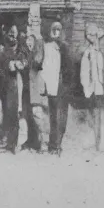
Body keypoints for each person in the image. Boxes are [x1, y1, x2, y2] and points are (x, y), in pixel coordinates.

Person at [34, 21, 76, 155]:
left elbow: (70, 67)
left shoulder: (65, 47)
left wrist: (68, 84)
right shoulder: (45, 47)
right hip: (51, 86)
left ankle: (57, 144)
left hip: (63, 86)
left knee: (61, 116)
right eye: (54, 29)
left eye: (59, 29)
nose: (56, 32)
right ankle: (53, 144)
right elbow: (39, 65)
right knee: (53, 116)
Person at [0, 24, 22, 154]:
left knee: (13, 112)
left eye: (15, 33)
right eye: (10, 33)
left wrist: (16, 64)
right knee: (3, 112)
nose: (13, 35)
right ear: (4, 33)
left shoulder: (20, 48)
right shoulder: (1, 48)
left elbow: (22, 61)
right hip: (1, 83)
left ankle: (13, 144)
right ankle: (5, 141)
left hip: (14, 82)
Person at [80, 23, 104, 152]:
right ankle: (94, 142)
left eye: (97, 37)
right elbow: (84, 73)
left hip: (99, 89)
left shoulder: (100, 54)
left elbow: (102, 71)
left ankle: (98, 144)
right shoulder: (87, 54)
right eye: (92, 37)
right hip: (90, 90)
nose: (96, 40)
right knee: (92, 116)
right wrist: (86, 88)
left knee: (98, 116)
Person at [19, 33, 43, 152]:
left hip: (35, 89)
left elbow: (37, 65)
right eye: (27, 40)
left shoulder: (38, 53)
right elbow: (23, 66)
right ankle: (27, 142)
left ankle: (38, 142)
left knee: (36, 116)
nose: (29, 43)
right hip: (25, 89)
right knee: (25, 116)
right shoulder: (23, 53)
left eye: (31, 40)